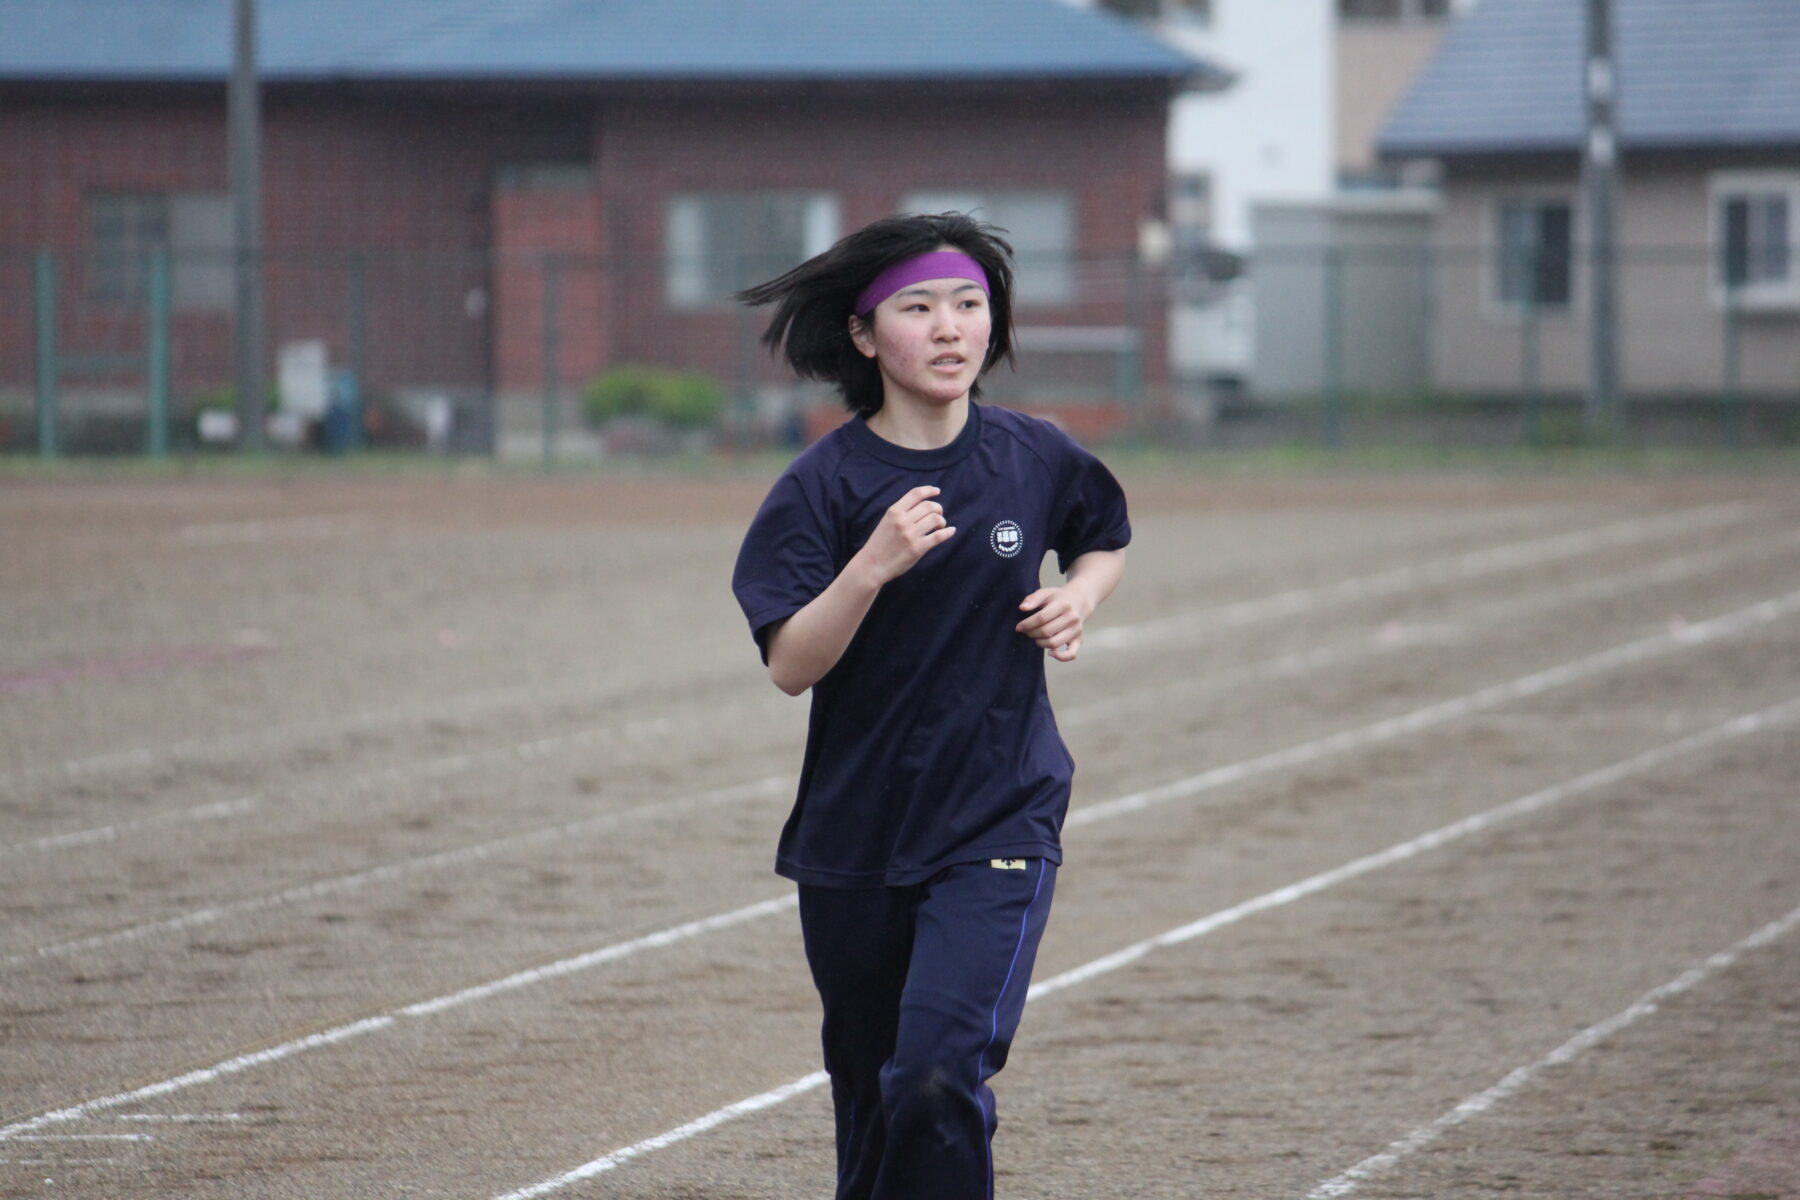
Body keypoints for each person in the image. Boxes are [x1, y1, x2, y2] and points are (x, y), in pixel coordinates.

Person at [730, 211, 1130, 1200]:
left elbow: (1105, 535)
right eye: (918, 308)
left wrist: (1076, 598)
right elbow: (791, 665)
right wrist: (871, 567)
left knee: (939, 1073)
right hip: (854, 840)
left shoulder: (1034, 456)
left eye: (969, 305)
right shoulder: (819, 488)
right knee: (875, 1101)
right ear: (865, 337)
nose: (951, 328)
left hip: (998, 815)